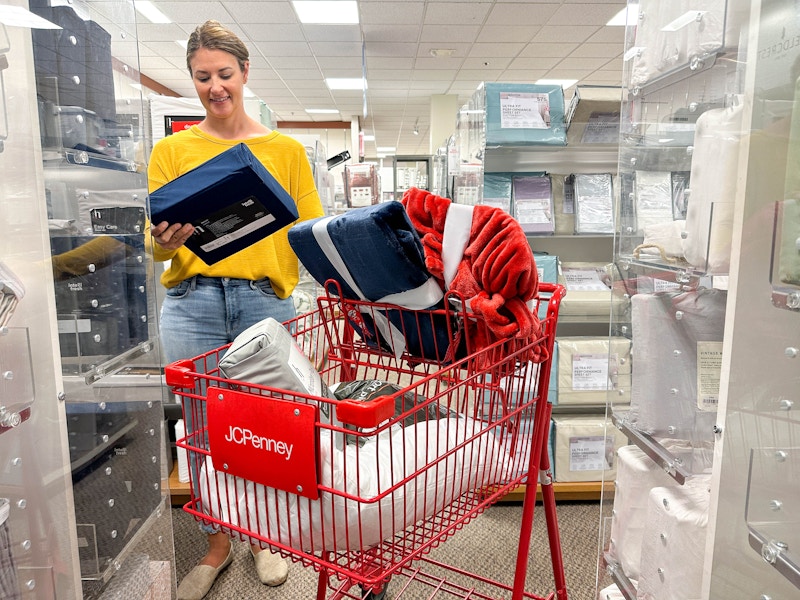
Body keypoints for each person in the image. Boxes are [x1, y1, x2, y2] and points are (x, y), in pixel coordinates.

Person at [147, 20, 325, 600]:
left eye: (224, 74)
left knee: (270, 422)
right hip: (192, 302)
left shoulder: (285, 150)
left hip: (262, 303)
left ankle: (263, 538)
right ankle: (216, 545)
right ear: (192, 80)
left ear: (245, 73)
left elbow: (311, 230)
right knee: (199, 427)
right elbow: (155, 242)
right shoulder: (172, 150)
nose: (214, 87)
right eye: (202, 77)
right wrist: (167, 241)